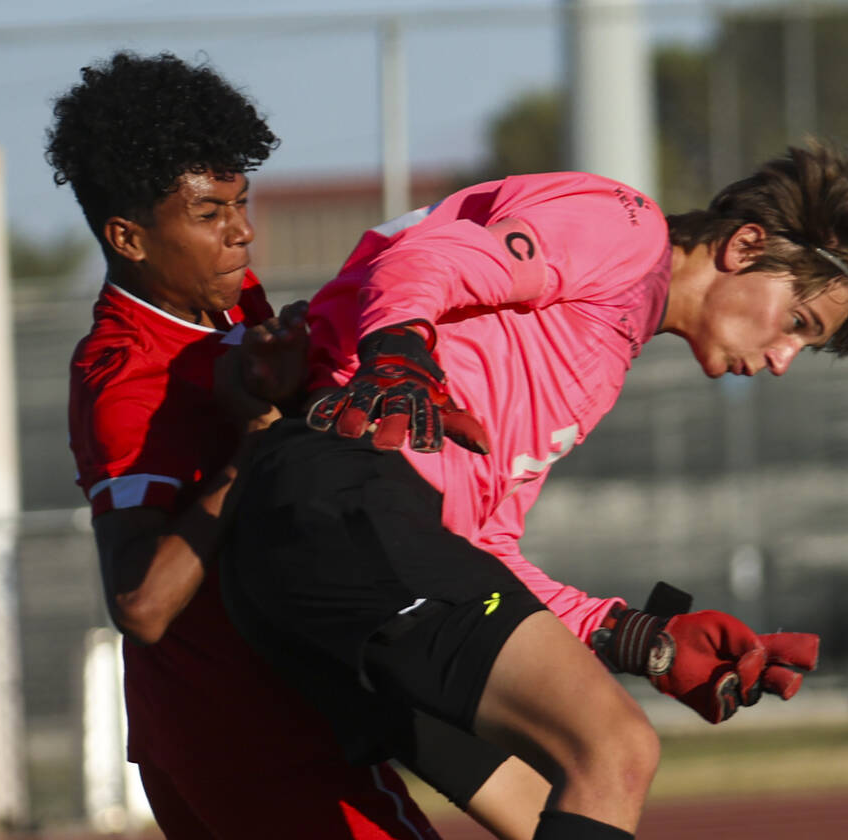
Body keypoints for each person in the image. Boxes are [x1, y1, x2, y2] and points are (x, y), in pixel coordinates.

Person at [219, 141, 848, 840]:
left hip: (339, 540)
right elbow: (425, 259)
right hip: (342, 501)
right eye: (798, 323)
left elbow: (478, 548)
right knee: (614, 750)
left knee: (540, 799)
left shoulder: (598, 344)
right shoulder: (625, 228)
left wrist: (630, 635)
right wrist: (399, 354)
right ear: (746, 245)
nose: (785, 359)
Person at [47, 50, 549, 840]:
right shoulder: (126, 378)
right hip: (240, 729)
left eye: (242, 203)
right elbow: (142, 604)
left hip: (266, 701)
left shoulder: (227, 302)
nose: (243, 232)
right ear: (129, 237)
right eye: (210, 214)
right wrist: (256, 441)